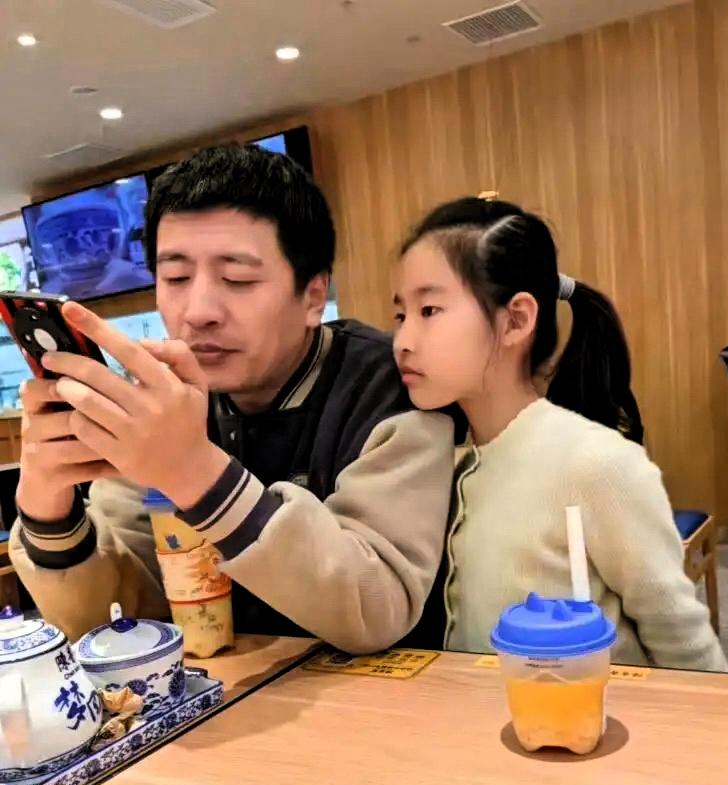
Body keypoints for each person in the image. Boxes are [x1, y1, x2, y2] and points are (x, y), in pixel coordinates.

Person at [9, 144, 456, 652]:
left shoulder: (394, 386)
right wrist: (47, 507)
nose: (198, 311)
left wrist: (193, 472)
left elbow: (379, 609)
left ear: (313, 297)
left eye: (238, 279)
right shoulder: (159, 402)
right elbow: (120, 619)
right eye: (176, 278)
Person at [392, 196, 728, 671]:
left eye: (429, 310)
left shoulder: (598, 464)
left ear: (516, 320)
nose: (402, 341)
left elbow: (689, 653)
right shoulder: (438, 461)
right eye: (400, 315)